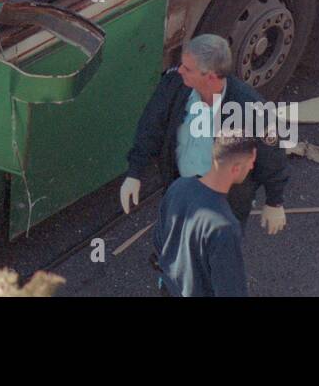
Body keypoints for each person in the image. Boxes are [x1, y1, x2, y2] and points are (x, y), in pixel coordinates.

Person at [121, 34, 289, 235]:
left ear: (210, 76)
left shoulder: (251, 110)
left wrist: (274, 202)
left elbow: (272, 157)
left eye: (188, 69)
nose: (180, 70)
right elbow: (151, 125)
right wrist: (135, 172)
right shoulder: (174, 83)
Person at [152, 134, 256, 296]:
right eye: (251, 163)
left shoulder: (179, 186)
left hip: (169, 288)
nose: (251, 167)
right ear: (235, 168)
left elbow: (158, 238)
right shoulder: (224, 227)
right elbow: (230, 290)